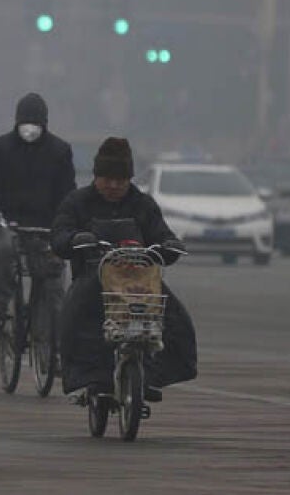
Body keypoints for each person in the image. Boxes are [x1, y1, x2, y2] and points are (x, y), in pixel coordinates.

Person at [50, 137, 196, 401]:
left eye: (121, 180)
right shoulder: (77, 202)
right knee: (74, 319)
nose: (114, 186)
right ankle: (90, 377)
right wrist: (74, 239)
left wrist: (169, 246)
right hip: (94, 280)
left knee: (177, 320)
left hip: (141, 282)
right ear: (96, 176)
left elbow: (162, 235)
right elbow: (59, 235)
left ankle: (149, 375)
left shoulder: (143, 204)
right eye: (108, 179)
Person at [0, 93, 76, 320]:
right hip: (9, 222)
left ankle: (53, 327)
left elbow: (67, 193)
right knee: (2, 250)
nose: (30, 130)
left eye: (35, 124)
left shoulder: (59, 151)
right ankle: (0, 299)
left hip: (46, 225)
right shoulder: (0, 148)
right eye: (25, 124)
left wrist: (64, 227)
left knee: (53, 274)